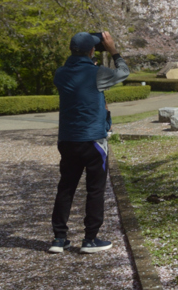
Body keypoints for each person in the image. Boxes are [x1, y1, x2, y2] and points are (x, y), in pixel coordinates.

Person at [49, 31, 130, 254]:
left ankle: (59, 239)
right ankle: (90, 239)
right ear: (92, 50)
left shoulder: (60, 73)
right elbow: (124, 72)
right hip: (93, 140)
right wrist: (113, 49)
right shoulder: (97, 73)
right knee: (95, 189)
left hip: (67, 140)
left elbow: (78, 84)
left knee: (66, 187)